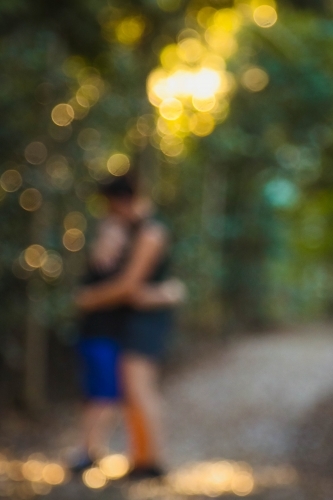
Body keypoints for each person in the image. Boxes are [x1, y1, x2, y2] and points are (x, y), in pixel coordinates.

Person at [74, 174, 184, 478]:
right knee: (132, 389)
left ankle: (153, 460)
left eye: (111, 205)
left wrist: (88, 299)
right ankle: (141, 458)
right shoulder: (128, 229)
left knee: (139, 386)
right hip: (130, 319)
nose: (110, 211)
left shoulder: (151, 231)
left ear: (124, 201)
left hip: (146, 321)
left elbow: (129, 285)